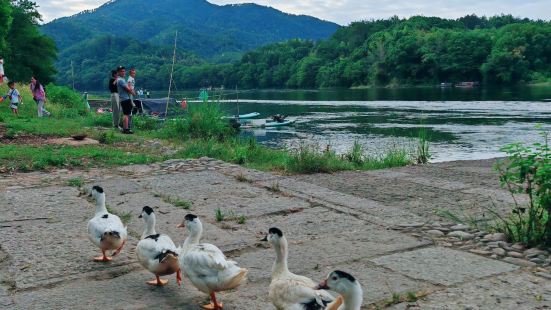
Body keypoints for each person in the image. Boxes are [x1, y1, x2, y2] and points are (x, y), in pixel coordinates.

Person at [116, 66, 136, 134]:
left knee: (126, 114)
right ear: (118, 72)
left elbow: (128, 87)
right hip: (125, 99)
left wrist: (130, 89)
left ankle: (125, 128)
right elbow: (128, 89)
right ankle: (126, 129)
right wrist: (133, 92)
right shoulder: (121, 80)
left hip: (123, 98)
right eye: (121, 71)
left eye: (124, 71)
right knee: (126, 114)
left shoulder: (121, 79)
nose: (123, 72)